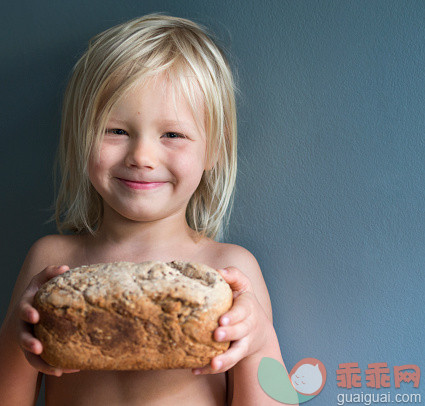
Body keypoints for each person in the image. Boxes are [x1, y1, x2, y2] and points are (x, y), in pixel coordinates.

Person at [0, 13, 294, 406]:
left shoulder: (228, 272)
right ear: (80, 138)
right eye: (116, 131)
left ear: (214, 150)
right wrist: (16, 339)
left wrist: (259, 343)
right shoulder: (53, 262)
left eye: (172, 134)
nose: (141, 156)